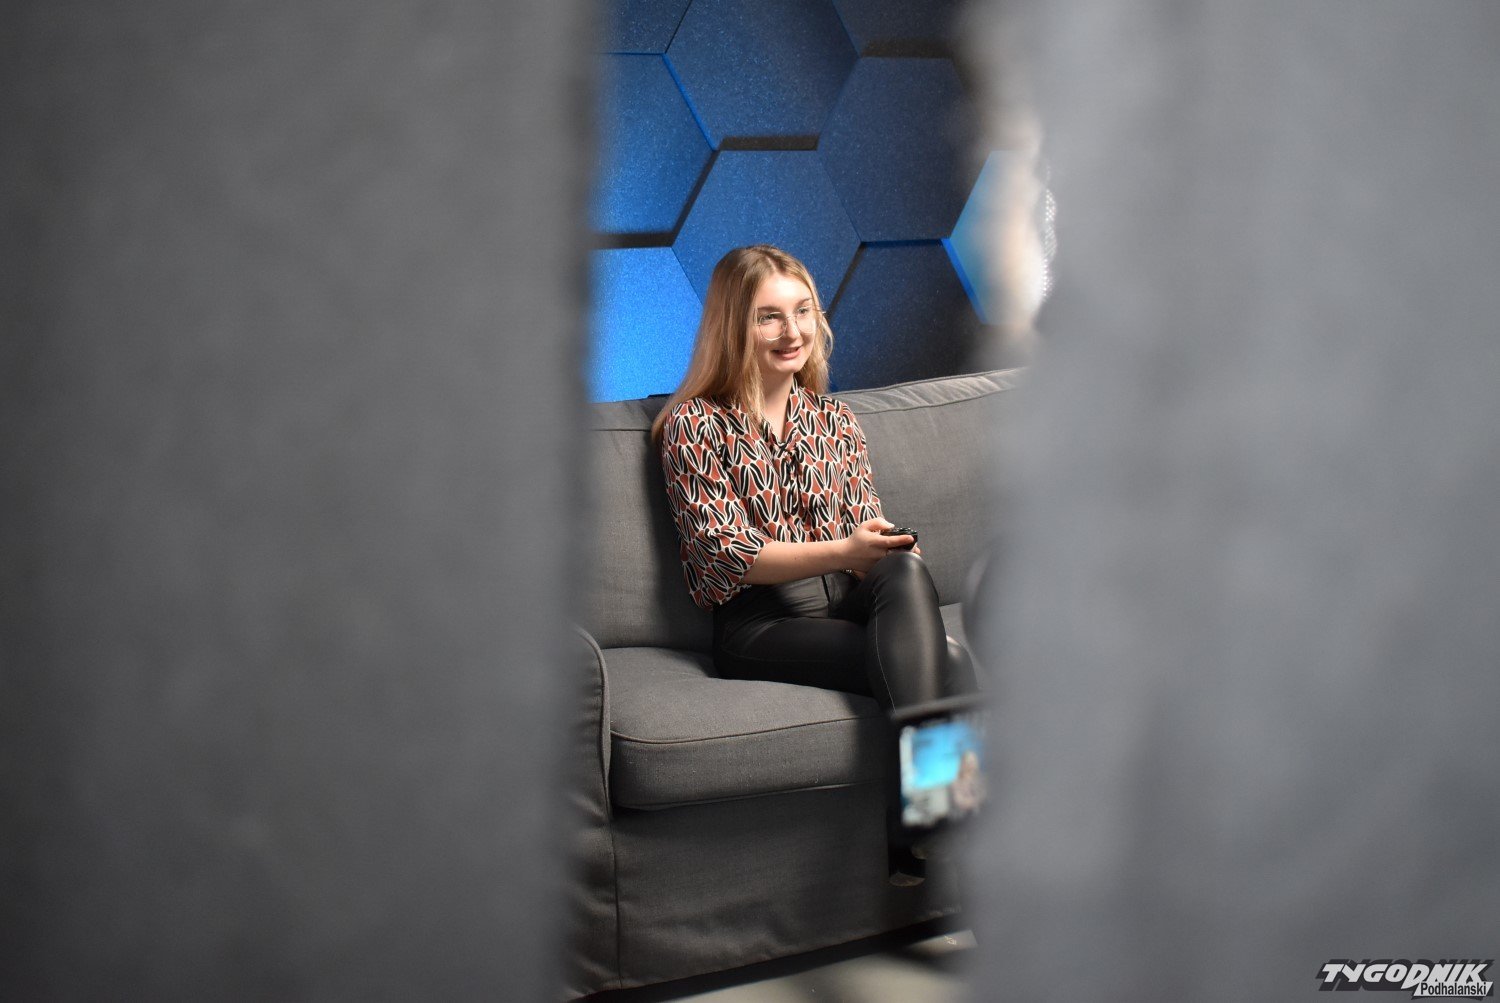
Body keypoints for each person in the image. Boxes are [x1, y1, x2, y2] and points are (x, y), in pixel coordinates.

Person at [650, 244, 971, 885]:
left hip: (843, 601)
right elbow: (728, 556)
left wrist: (880, 548)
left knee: (904, 570)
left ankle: (926, 836)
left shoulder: (835, 421)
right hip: (760, 626)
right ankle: (934, 833)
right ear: (733, 326)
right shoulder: (694, 425)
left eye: (802, 311)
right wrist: (845, 551)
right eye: (768, 316)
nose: (791, 332)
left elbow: (862, 531)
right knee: (951, 664)